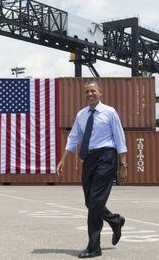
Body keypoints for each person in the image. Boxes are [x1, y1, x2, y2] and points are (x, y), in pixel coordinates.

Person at [57, 80, 128, 258]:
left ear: (100, 93)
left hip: (106, 157)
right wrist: (63, 159)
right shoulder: (81, 115)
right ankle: (115, 220)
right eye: (87, 91)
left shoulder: (110, 112)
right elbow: (74, 137)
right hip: (89, 158)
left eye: (93, 91)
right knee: (91, 202)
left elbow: (120, 138)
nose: (90, 94)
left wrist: (123, 164)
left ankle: (94, 247)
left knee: (96, 202)